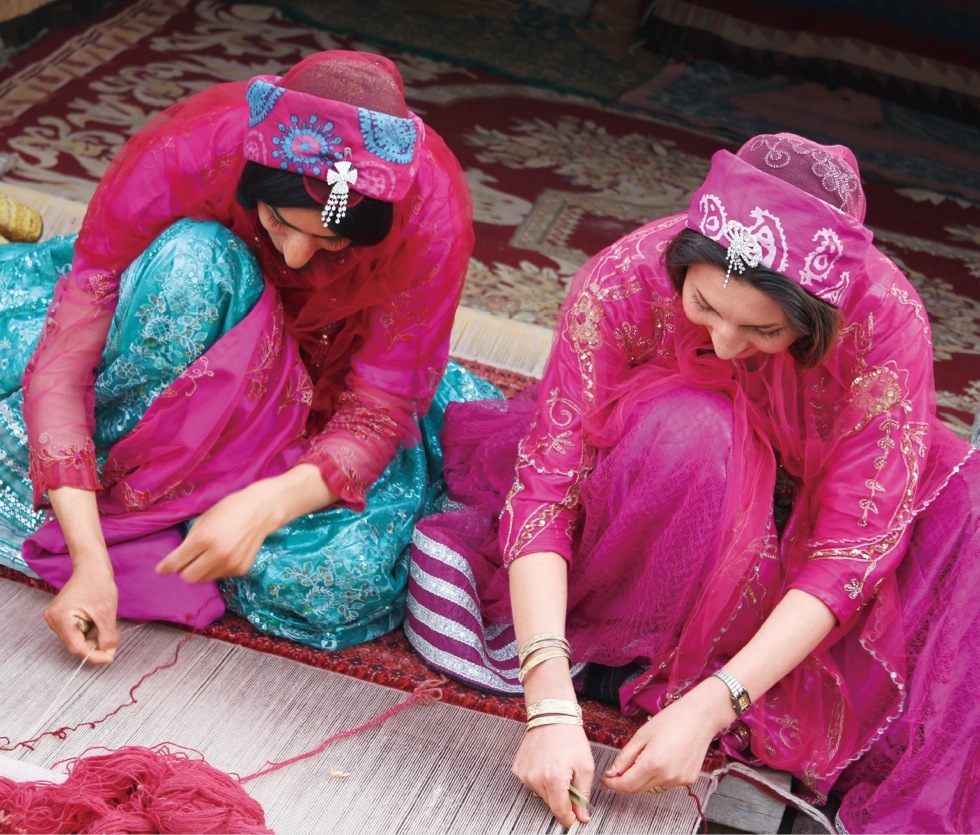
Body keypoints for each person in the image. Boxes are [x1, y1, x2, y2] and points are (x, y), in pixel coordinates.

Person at [405, 133, 979, 833]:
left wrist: (713, 705)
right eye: (706, 307)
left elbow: (853, 548)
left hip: (810, 495)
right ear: (683, 263)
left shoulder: (885, 322)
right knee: (697, 431)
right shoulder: (623, 280)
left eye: (763, 330)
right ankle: (623, 645)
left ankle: (698, 671)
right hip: (666, 482)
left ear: (816, 321)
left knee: (965, 513)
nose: (730, 345)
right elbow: (548, 490)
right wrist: (549, 699)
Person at [0, 49, 498, 664]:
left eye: (331, 240)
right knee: (193, 259)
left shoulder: (429, 215)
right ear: (251, 182)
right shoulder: (197, 147)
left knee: (340, 580)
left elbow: (377, 405)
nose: (293, 259)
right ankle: (136, 496)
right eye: (278, 224)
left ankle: (184, 507)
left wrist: (267, 506)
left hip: (316, 386)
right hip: (188, 346)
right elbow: (70, 355)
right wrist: (90, 560)